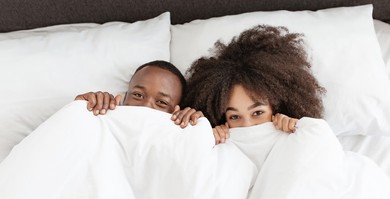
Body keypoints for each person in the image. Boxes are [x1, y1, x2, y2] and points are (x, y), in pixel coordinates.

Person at [182, 25, 325, 143]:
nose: (247, 126)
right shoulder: (217, 143)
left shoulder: (299, 135)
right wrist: (204, 139)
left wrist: (302, 130)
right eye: (234, 117)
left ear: (279, 109)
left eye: (258, 113)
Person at [75, 60, 204, 128]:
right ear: (123, 99)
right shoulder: (99, 122)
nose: (146, 106)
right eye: (138, 95)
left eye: (162, 102)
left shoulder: (181, 136)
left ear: (176, 112)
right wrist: (78, 110)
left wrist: (199, 130)